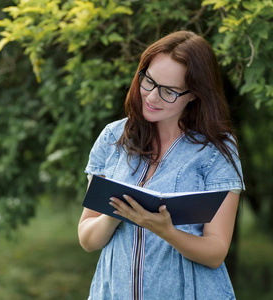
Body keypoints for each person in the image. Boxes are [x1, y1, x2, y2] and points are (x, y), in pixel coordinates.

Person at [78, 31, 244, 299]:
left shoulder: (217, 150)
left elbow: (215, 252)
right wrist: (119, 211)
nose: (152, 97)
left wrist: (166, 231)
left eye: (168, 91)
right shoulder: (114, 137)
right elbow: (87, 239)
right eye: (149, 82)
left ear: (195, 95)